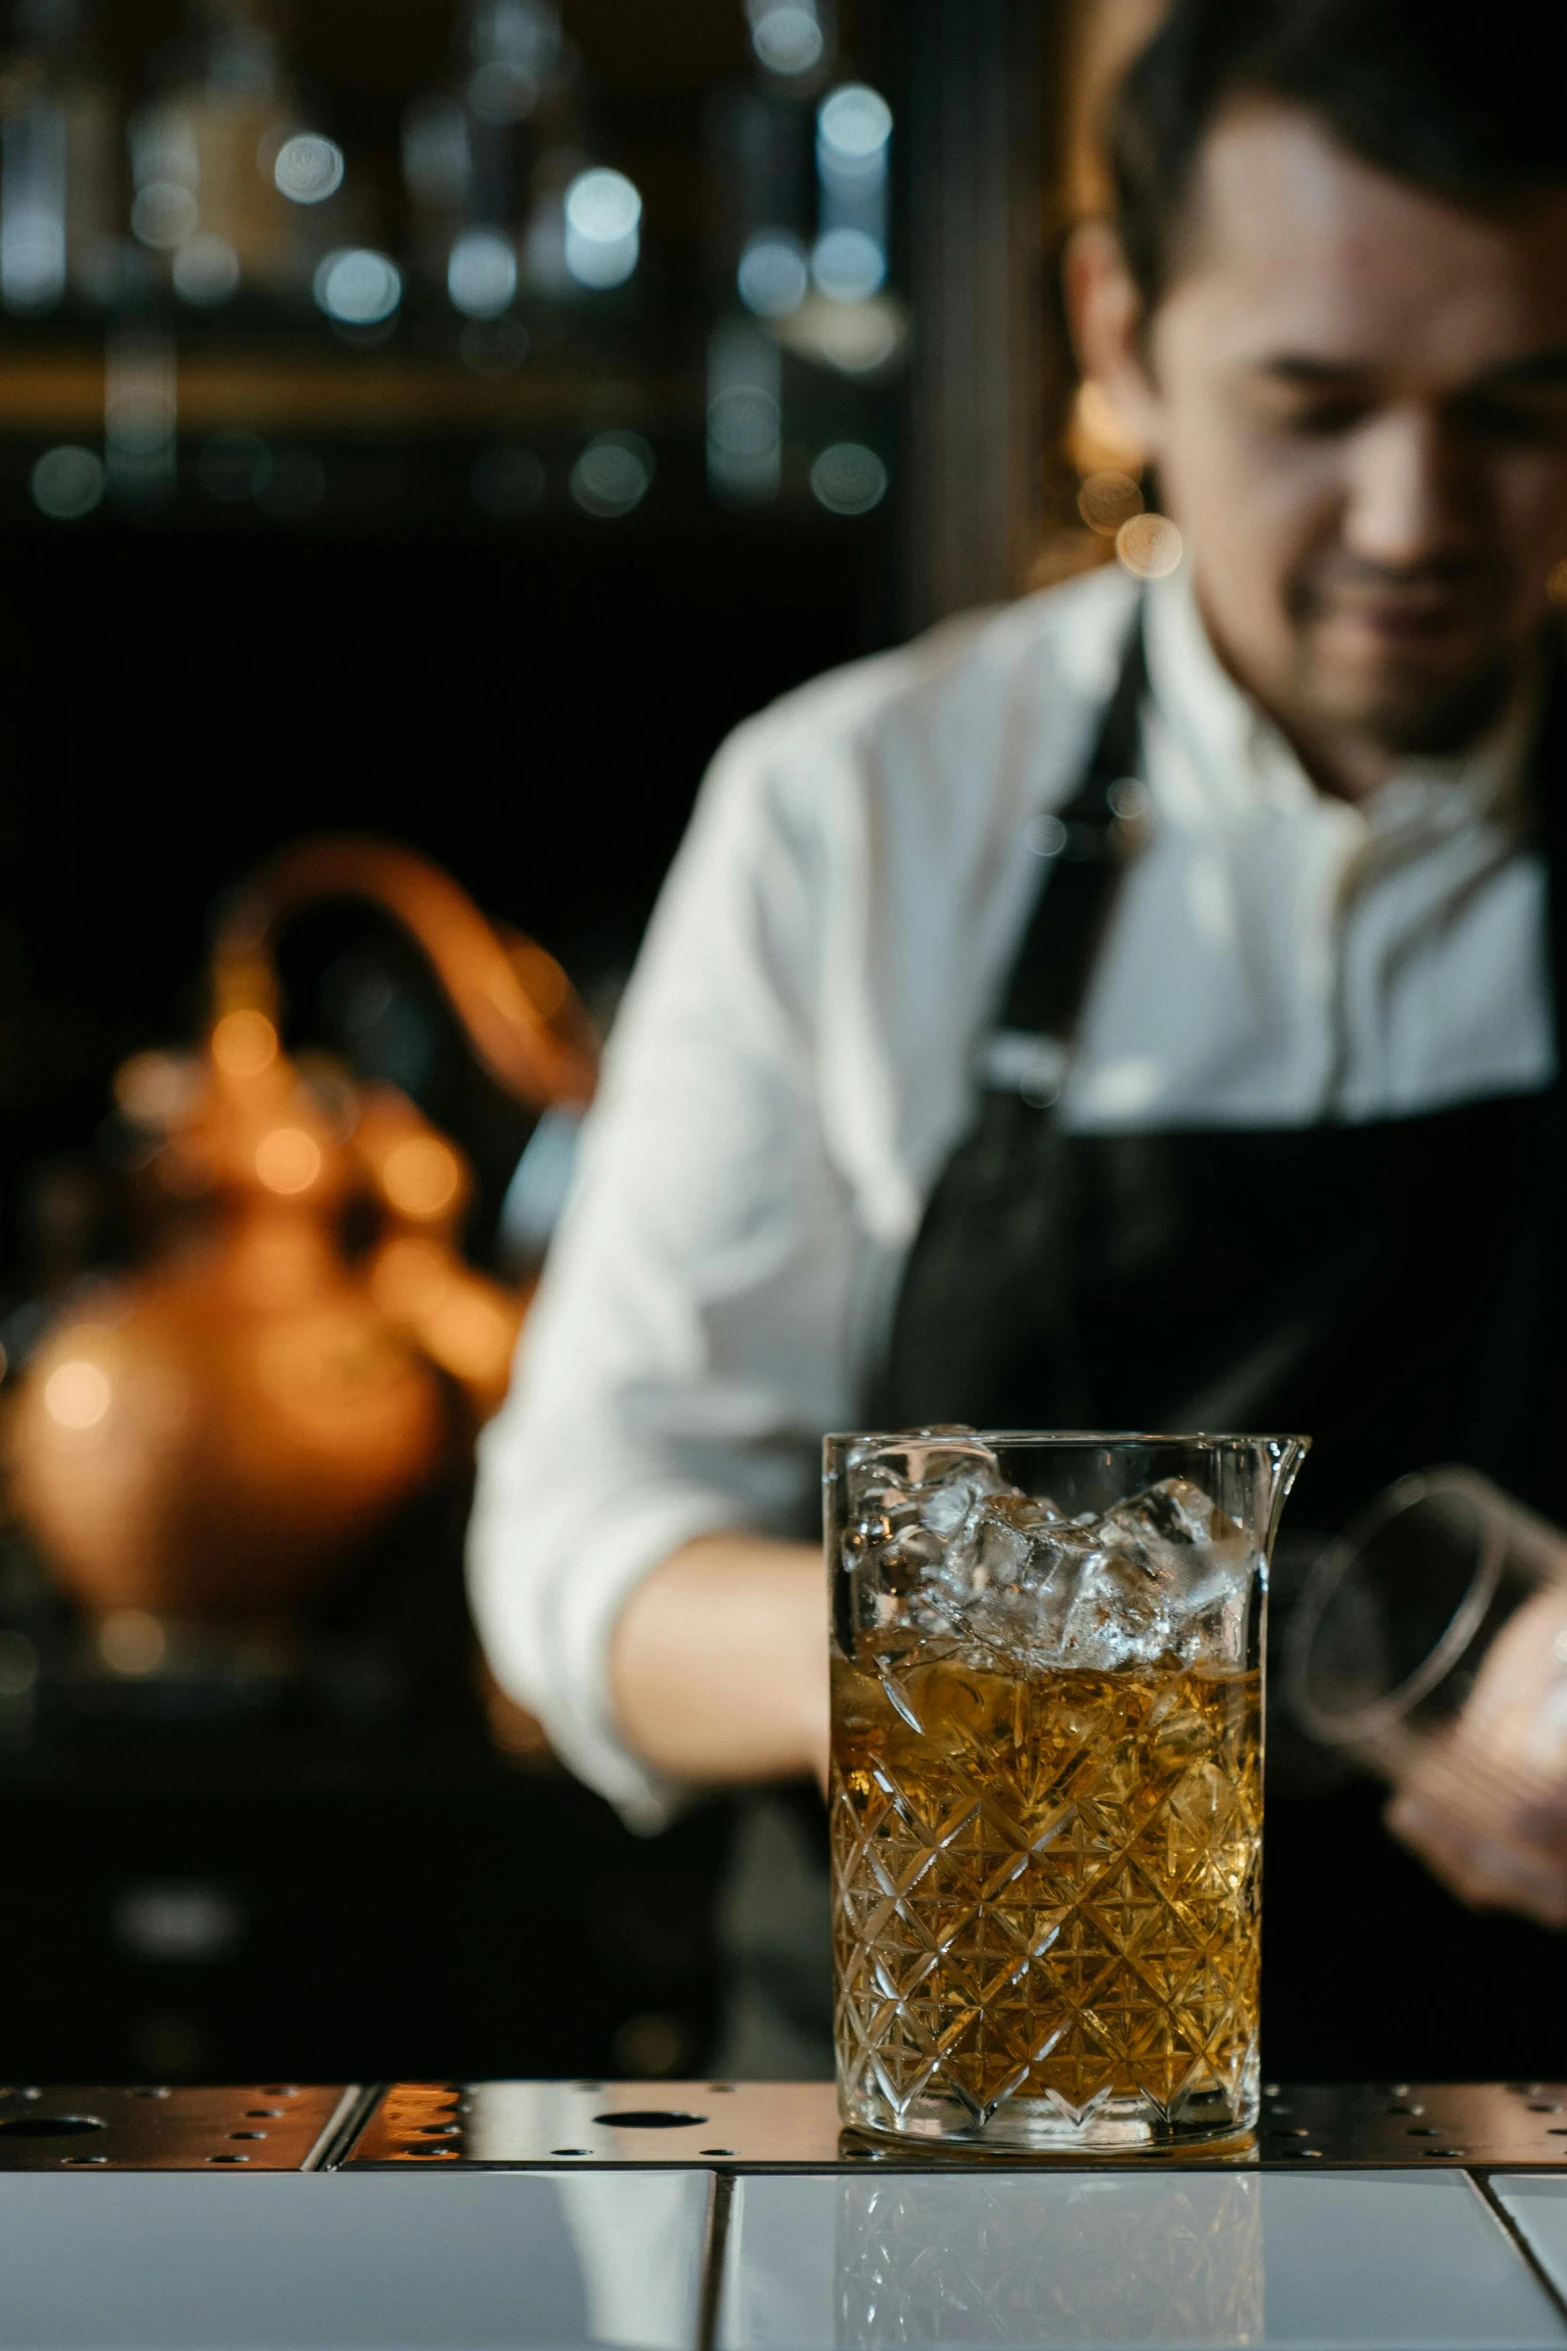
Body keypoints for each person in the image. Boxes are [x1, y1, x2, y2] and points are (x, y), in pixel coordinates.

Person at [470, 0, 1567, 2078]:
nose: (1419, 516)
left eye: (1521, 408)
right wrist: (1109, 1660)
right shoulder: (859, 811)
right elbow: (577, 1569)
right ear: (1120, 332)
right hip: (937, 2166)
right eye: (1313, 403)